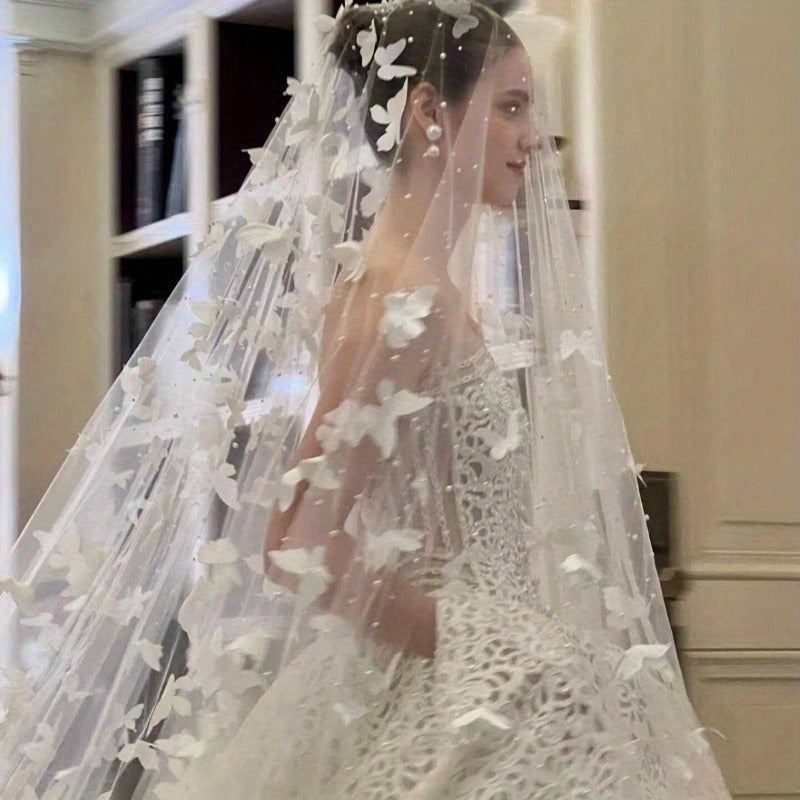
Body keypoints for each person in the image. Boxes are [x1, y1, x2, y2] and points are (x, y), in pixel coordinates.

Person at [0, 2, 733, 798]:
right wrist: (481, 645)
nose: (531, 138)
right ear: (427, 111)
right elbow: (298, 540)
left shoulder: (428, 294)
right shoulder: (398, 303)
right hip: (465, 679)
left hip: (486, 673)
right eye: (511, 107)